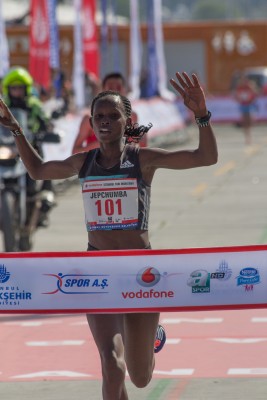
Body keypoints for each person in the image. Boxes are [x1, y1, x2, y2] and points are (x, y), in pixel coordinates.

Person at [0, 71, 218, 399]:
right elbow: (39, 170)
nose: (104, 122)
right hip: (98, 271)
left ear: (127, 120)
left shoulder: (142, 160)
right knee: (111, 364)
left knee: (140, 377)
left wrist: (201, 115)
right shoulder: (84, 163)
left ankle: (149, 337)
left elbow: (206, 157)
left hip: (140, 273)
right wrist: (16, 129)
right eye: (98, 117)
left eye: (112, 116)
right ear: (90, 123)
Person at [1, 66, 56, 227]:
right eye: (13, 88)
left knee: (44, 166)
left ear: (26, 88)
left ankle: (46, 200)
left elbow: (45, 122)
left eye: (20, 87)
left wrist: (46, 130)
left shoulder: (34, 105)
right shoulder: (3, 105)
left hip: (30, 147)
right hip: (8, 148)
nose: (17, 91)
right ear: (8, 89)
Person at [72, 71, 146, 154]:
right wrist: (103, 144)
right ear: (103, 91)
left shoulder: (132, 116)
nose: (114, 91)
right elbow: (74, 152)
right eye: (110, 87)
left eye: (118, 87)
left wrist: (137, 142)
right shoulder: (89, 119)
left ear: (125, 90)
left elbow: (139, 150)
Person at [234, 73, 258, 145]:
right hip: (243, 105)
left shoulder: (249, 86)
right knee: (245, 122)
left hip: (249, 104)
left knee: (249, 121)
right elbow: (237, 96)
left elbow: (254, 93)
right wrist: (239, 99)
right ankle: (247, 137)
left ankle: (249, 135)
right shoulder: (239, 87)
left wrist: (252, 97)